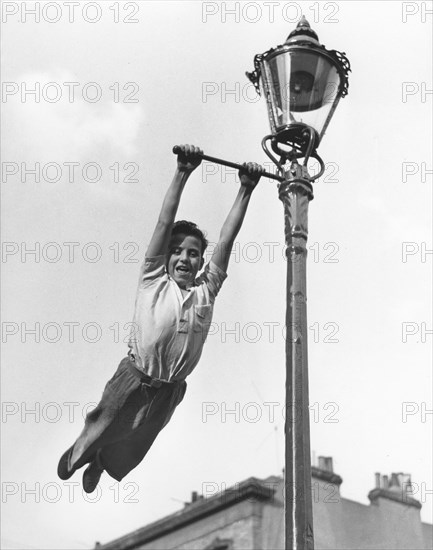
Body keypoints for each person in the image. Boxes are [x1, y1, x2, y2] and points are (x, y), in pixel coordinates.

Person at [57, 144, 263, 493]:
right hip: (134, 377)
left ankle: (103, 464)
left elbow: (226, 242)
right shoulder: (153, 279)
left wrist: (246, 188)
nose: (185, 258)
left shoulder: (206, 291)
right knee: (106, 425)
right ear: (165, 257)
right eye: (178, 251)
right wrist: (183, 171)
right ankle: (81, 451)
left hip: (170, 389)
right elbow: (164, 221)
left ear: (201, 262)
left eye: (194, 254)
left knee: (137, 442)